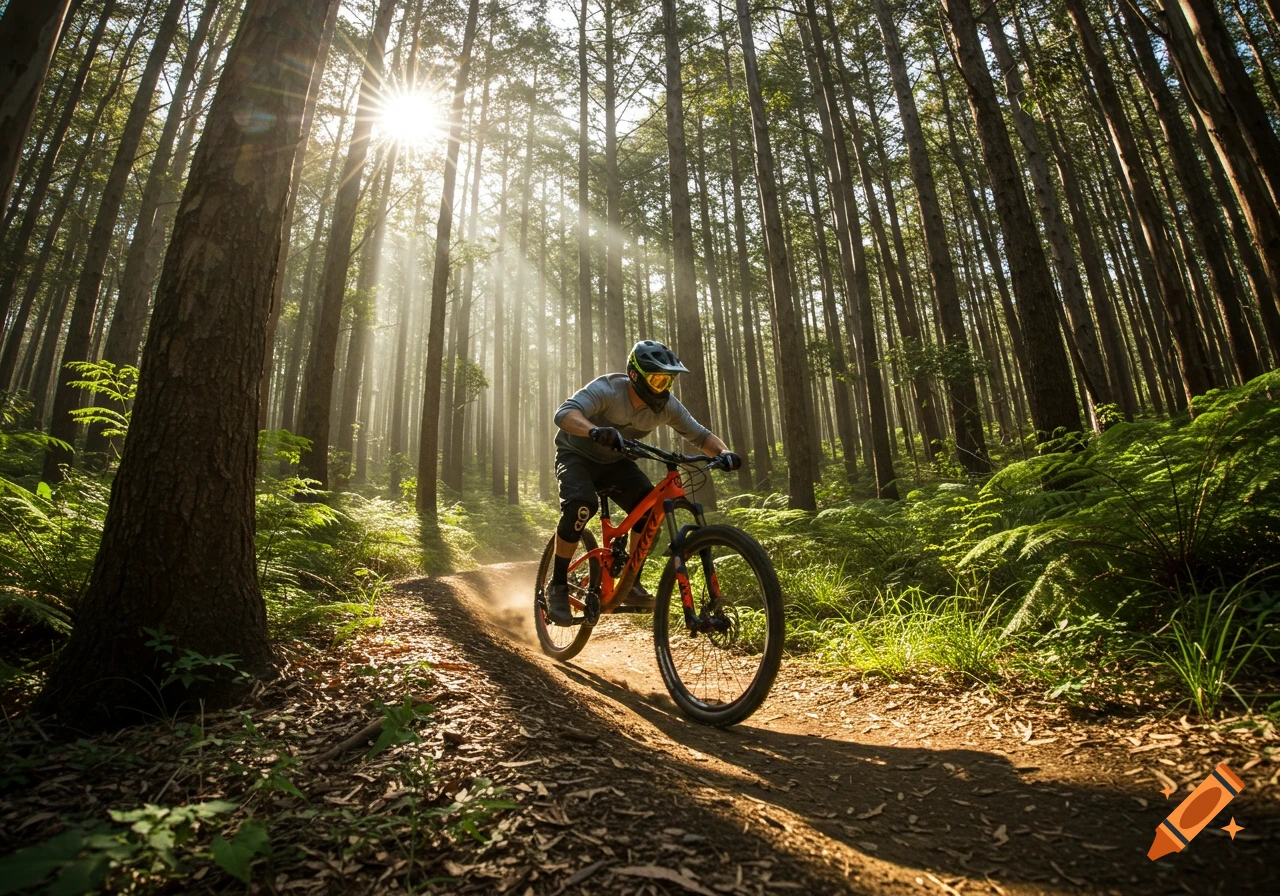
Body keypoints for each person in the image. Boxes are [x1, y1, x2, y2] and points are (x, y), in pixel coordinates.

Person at [546, 340, 739, 625]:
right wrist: (595, 430)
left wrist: (724, 452)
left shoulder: (667, 406)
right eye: (657, 379)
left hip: (615, 461)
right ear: (635, 376)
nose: (663, 387)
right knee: (580, 506)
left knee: (651, 512)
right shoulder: (608, 390)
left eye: (668, 380)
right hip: (576, 455)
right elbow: (564, 414)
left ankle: (629, 580)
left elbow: (700, 436)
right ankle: (558, 586)